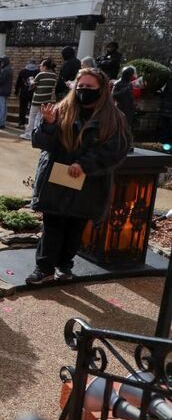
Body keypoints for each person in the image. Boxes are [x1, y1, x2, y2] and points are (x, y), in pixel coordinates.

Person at [26, 67, 130, 285]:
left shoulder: (113, 118)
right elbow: (41, 143)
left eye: (90, 87)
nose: (84, 90)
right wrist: (48, 125)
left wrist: (84, 164)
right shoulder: (61, 109)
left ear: (101, 89)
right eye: (81, 86)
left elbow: (116, 149)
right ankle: (43, 268)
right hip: (57, 177)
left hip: (88, 182)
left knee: (75, 226)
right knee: (52, 224)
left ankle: (64, 266)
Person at [20, 59, 57, 141]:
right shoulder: (54, 75)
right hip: (46, 99)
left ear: (45, 67)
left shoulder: (41, 74)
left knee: (32, 116)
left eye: (41, 65)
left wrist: (30, 80)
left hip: (37, 98)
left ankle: (29, 133)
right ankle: (37, 133)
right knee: (40, 117)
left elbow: (32, 84)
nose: (39, 67)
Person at [15, 59, 40, 128]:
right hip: (34, 92)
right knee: (33, 110)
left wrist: (16, 91)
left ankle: (21, 123)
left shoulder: (22, 71)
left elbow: (18, 83)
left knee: (22, 108)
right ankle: (33, 125)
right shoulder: (38, 72)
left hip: (24, 92)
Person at [112, 65, 136, 134]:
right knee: (118, 126)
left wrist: (133, 103)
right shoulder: (118, 83)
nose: (131, 77)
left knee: (127, 126)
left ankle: (127, 141)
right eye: (130, 75)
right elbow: (113, 95)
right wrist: (125, 90)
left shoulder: (129, 83)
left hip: (129, 108)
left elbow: (131, 95)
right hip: (120, 107)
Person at [0, 56, 12, 129]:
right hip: (6, 90)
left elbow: (0, 80)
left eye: (2, 61)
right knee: (4, 107)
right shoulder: (9, 69)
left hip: (1, 90)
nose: (1, 63)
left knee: (0, 108)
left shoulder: (5, 70)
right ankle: (2, 122)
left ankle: (0, 123)